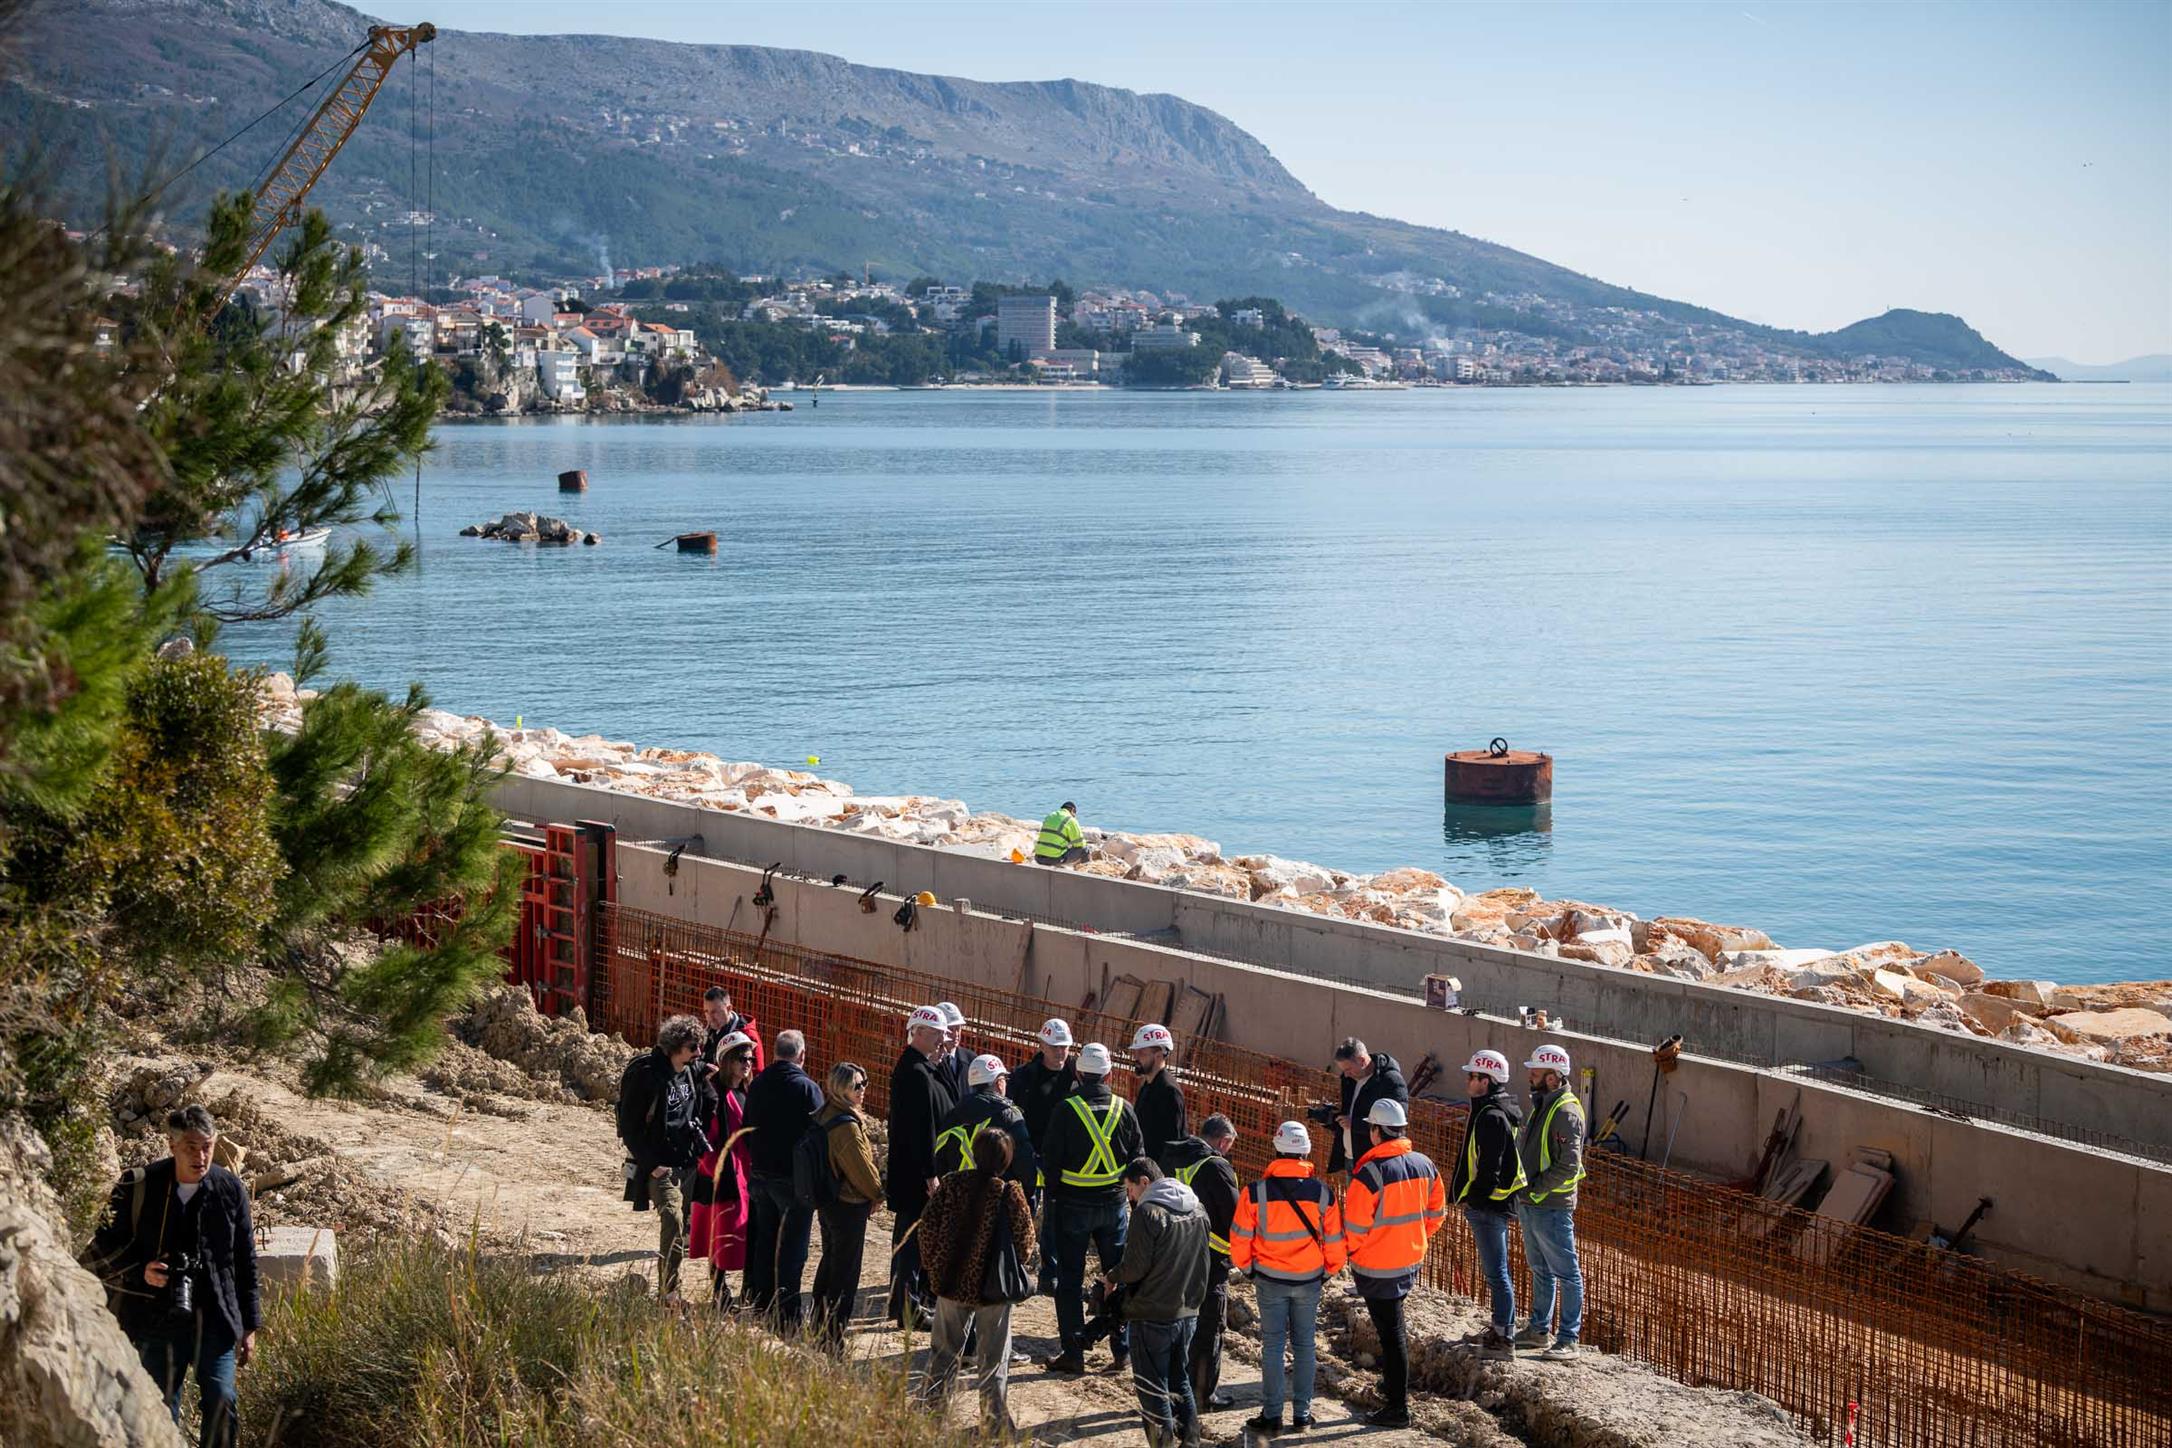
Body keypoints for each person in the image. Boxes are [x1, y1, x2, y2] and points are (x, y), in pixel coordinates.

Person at [85, 1105, 260, 1448]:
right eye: (191, 1147)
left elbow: (245, 1258)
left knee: (223, 1398)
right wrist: (142, 1271)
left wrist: (250, 1324)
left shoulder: (230, 1189)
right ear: (172, 1146)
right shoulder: (140, 1186)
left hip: (217, 1316)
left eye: (208, 1146)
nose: (201, 1156)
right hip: (155, 1316)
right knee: (159, 1410)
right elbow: (104, 1249)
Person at [918, 1127, 1038, 1435]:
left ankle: (930, 1418)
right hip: (994, 1289)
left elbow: (927, 1228)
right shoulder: (1010, 1192)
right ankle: (994, 1426)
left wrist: (935, 1268)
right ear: (1007, 1160)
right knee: (993, 1362)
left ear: (973, 1153)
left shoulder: (952, 1183)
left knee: (943, 1355)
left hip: (951, 1283)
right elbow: (1026, 1242)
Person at [1231, 1120, 1345, 1438]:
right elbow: (1336, 1241)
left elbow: (1239, 1238)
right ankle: (1303, 1414)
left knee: (1273, 1346)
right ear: (1305, 1151)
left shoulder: (1254, 1193)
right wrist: (1328, 1270)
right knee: (1305, 1346)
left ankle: (1272, 1416)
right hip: (1309, 1280)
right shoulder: (1323, 1193)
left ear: (1276, 1149)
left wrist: (1249, 1269)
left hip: (1269, 1280)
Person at [1037, 1041, 1145, 1376]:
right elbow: (1138, 1158)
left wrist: (1054, 1196)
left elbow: (1050, 1162)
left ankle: (1073, 1352)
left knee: (1068, 1281)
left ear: (1079, 1073)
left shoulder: (1066, 1109)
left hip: (1072, 1206)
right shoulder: (1124, 1109)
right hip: (1113, 1206)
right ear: (1110, 1074)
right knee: (1117, 1277)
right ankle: (1122, 1350)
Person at [1342, 1097, 1446, 1428]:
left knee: (1392, 1333)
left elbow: (1355, 1228)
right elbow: (1437, 1213)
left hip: (1375, 1266)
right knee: (1393, 1328)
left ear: (1376, 1131)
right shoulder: (1424, 1164)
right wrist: (1416, 1237)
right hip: (1409, 1260)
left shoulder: (1370, 1172)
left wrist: (1354, 1254)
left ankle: (1398, 1407)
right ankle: (1391, 1385)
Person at [1108, 1157, 1210, 1448]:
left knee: (1153, 1389)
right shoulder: (1197, 1208)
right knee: (1180, 1381)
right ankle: (1191, 1441)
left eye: (1130, 1189)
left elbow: (1135, 1268)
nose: (1130, 1197)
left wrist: (1112, 1276)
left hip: (1152, 1313)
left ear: (1144, 1182)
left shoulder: (1147, 1213)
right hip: (1188, 1311)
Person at [616, 1013, 710, 1303]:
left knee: (683, 1227)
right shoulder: (646, 1073)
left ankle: (670, 1288)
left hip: (687, 1161)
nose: (698, 1053)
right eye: (693, 1047)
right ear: (675, 1045)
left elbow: (702, 1106)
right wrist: (651, 1165)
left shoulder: (692, 1070)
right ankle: (669, 1292)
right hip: (661, 1165)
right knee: (672, 1219)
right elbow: (629, 1128)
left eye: (700, 1047)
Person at [743, 1028, 825, 1329]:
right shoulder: (808, 1089)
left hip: (760, 1177)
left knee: (765, 1242)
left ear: (776, 1052)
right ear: (801, 1056)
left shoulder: (758, 1083)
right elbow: (819, 1137)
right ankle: (787, 1317)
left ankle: (761, 1305)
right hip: (793, 1183)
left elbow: (745, 1128)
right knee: (792, 1250)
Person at [1158, 1115, 1240, 1410]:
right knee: (1208, 1327)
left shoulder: (1171, 1158)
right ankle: (1203, 1393)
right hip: (1208, 1262)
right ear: (1223, 1141)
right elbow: (1235, 1217)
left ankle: (1169, 1387)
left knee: (1175, 1323)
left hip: (1171, 1256)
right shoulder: (1216, 1167)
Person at [1448, 1049, 1525, 1357]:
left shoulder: (1491, 1116)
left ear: (1487, 1080)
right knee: (1496, 1272)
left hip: (1490, 1207)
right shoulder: (1490, 1111)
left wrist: (1474, 1200)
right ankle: (1500, 1328)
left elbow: (1490, 1167)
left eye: (1473, 1076)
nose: (1468, 1081)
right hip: (1489, 1205)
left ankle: (1505, 1339)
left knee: (1497, 1273)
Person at [1514, 1043, 1588, 1362]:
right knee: (1540, 1269)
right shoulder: (1543, 1104)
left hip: (1551, 1206)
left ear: (1553, 1077)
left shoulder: (1566, 1112)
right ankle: (1538, 1330)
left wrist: (1537, 1191)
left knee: (1567, 1272)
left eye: (1536, 1072)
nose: (1530, 1075)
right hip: (1532, 1202)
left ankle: (1568, 1338)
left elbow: (1568, 1166)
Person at [888, 1005, 958, 1326]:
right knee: (911, 1244)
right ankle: (907, 1307)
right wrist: (930, 1173)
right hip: (917, 1177)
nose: (943, 1039)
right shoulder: (915, 1073)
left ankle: (904, 1304)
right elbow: (922, 1129)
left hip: (917, 1174)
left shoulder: (922, 1068)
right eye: (937, 1034)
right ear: (918, 1032)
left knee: (912, 1241)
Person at [810, 1060, 884, 1350]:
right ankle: (832, 1337)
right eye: (857, 1085)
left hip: (829, 1202)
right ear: (843, 1089)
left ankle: (818, 1327)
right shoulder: (847, 1127)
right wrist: (877, 1194)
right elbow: (861, 1168)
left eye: (864, 1083)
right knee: (845, 1273)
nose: (863, 1089)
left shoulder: (825, 1113)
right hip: (848, 1204)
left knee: (829, 1263)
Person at [688, 1031, 758, 1310]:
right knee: (720, 1237)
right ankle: (720, 1292)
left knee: (735, 1234)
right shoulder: (714, 1094)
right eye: (741, 1058)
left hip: (740, 1172)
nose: (747, 1063)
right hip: (721, 1175)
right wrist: (716, 1168)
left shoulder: (742, 1091)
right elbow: (706, 1138)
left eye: (750, 1058)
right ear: (727, 1060)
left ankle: (732, 1291)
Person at [936, 1053, 1036, 1188]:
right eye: (1004, 1079)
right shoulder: (1009, 1116)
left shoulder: (954, 1114)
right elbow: (1025, 1164)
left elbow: (940, 1159)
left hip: (960, 1196)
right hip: (996, 1199)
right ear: (999, 1083)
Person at [1329, 1037, 1409, 1177]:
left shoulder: (1390, 1081)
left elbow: (1395, 1124)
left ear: (1361, 1060)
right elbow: (1349, 1110)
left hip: (1375, 1161)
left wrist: (1354, 1124)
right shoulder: (1349, 1079)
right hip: (1351, 1158)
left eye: (1348, 1069)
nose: (1346, 1074)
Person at [1130, 1023, 1187, 1162]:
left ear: (1159, 1055)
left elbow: (1173, 1143)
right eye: (1135, 1052)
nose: (1135, 1058)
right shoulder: (1148, 1085)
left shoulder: (1169, 1092)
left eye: (1142, 1053)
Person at [699, 985, 763, 1074]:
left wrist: (720, 1076)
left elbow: (756, 1074)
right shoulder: (708, 1032)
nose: (710, 1018)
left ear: (729, 1008)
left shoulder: (748, 1035)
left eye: (715, 1012)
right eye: (706, 1012)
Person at [933, 1000, 975, 1100]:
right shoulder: (931, 1060)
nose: (956, 1034)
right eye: (951, 1029)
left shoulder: (971, 1059)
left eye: (958, 1028)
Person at [1034, 800, 1088, 865]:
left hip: (1038, 857)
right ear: (1072, 810)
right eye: (1075, 814)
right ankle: (1085, 869)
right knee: (1084, 849)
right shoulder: (1070, 819)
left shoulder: (1050, 816)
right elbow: (1080, 843)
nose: (1074, 816)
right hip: (1053, 859)